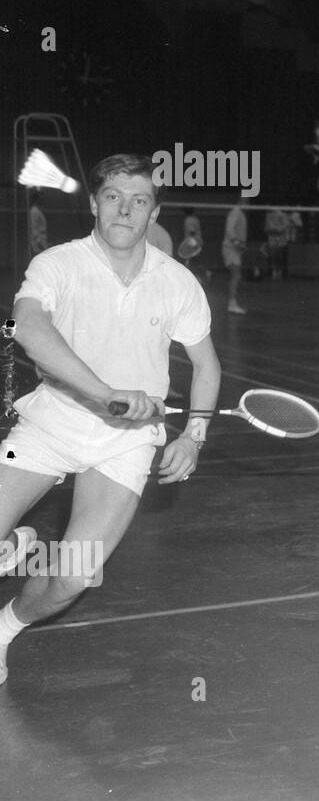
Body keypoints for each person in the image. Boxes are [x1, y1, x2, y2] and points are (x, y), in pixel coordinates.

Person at [0, 153, 220, 685]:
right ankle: (13, 547)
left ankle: (3, 629)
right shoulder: (57, 264)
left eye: (139, 200)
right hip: (50, 424)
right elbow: (26, 328)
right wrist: (105, 394)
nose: (125, 209)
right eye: (114, 197)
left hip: (125, 444)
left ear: (154, 212)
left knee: (74, 576)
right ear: (96, 204)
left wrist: (194, 436)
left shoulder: (178, 282)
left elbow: (207, 365)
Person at [222, 201, 247, 315]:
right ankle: (232, 304)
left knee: (236, 275)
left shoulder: (240, 212)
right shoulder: (235, 212)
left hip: (235, 250)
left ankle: (232, 302)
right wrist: (236, 242)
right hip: (230, 248)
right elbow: (229, 229)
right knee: (236, 275)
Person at [265, 206, 290, 279]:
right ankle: (273, 271)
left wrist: (279, 230)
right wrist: (272, 230)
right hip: (272, 240)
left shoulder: (283, 215)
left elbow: (285, 226)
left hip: (281, 240)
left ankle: (280, 272)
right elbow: (267, 228)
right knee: (272, 256)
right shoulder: (268, 216)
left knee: (280, 256)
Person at [28, 193, 47, 257]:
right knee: (40, 256)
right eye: (40, 199)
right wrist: (37, 238)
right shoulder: (34, 211)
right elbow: (34, 224)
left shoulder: (37, 210)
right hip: (38, 237)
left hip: (41, 236)